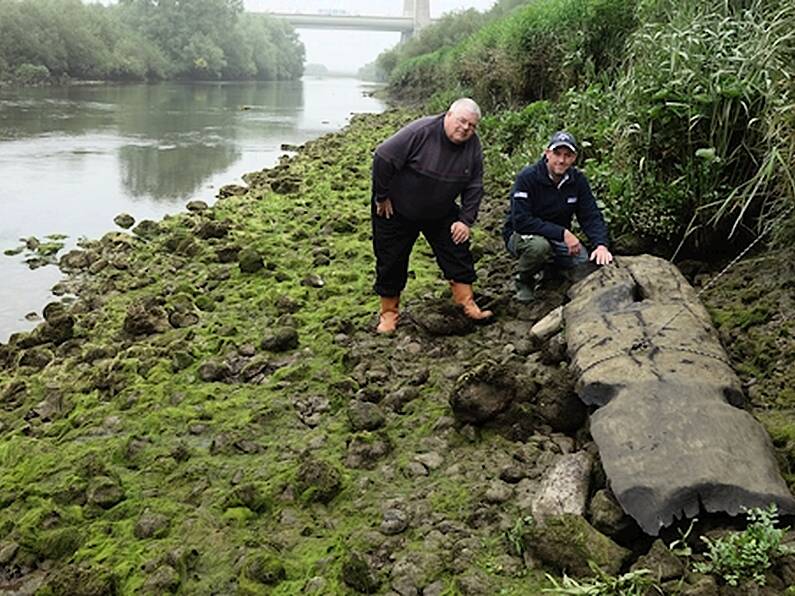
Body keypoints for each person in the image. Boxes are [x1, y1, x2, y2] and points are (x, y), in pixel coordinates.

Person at [371, 97, 493, 333]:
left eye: (472, 125)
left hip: (440, 208)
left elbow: (475, 186)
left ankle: (467, 303)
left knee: (457, 248)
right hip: (397, 207)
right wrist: (381, 195)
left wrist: (466, 220)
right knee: (391, 259)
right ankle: (388, 314)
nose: (466, 128)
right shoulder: (421, 131)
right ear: (448, 116)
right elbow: (383, 156)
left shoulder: (473, 146)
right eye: (462, 121)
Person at [502, 130, 613, 302]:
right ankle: (524, 280)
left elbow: (590, 215)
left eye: (567, 155)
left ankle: (551, 270)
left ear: (574, 158)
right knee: (539, 248)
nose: (561, 160)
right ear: (547, 153)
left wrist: (600, 245)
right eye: (557, 153)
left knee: (583, 263)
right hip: (522, 234)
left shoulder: (578, 181)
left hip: (558, 236)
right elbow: (521, 221)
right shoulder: (527, 178)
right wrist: (563, 234)